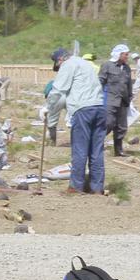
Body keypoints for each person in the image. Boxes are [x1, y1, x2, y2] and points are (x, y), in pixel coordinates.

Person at [47, 48, 106, 194]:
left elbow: (58, 89)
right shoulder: (85, 64)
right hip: (99, 107)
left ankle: (76, 186)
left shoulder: (68, 65)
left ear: (60, 60)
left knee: (80, 149)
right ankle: (96, 187)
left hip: (83, 109)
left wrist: (48, 108)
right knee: (96, 151)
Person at [99, 44, 133, 157]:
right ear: (119, 54)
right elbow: (100, 81)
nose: (127, 57)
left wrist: (130, 98)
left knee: (122, 127)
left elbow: (128, 85)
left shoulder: (127, 68)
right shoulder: (107, 65)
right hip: (110, 99)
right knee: (108, 123)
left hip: (123, 101)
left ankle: (118, 150)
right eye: (125, 54)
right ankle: (96, 145)